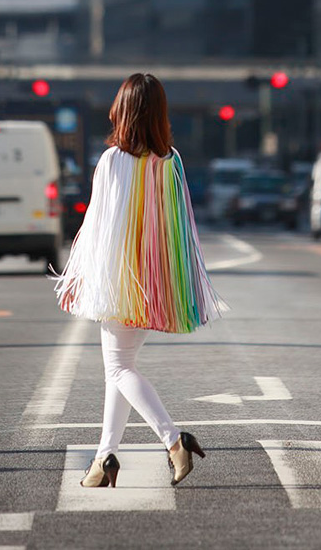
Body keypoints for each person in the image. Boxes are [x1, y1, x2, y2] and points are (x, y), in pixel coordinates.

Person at [54, 73, 227, 489]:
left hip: (119, 281)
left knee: (117, 369)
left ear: (124, 112)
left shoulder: (114, 159)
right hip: (156, 281)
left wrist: (80, 277)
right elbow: (180, 229)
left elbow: (96, 227)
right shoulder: (172, 162)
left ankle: (174, 440)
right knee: (121, 368)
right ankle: (103, 461)